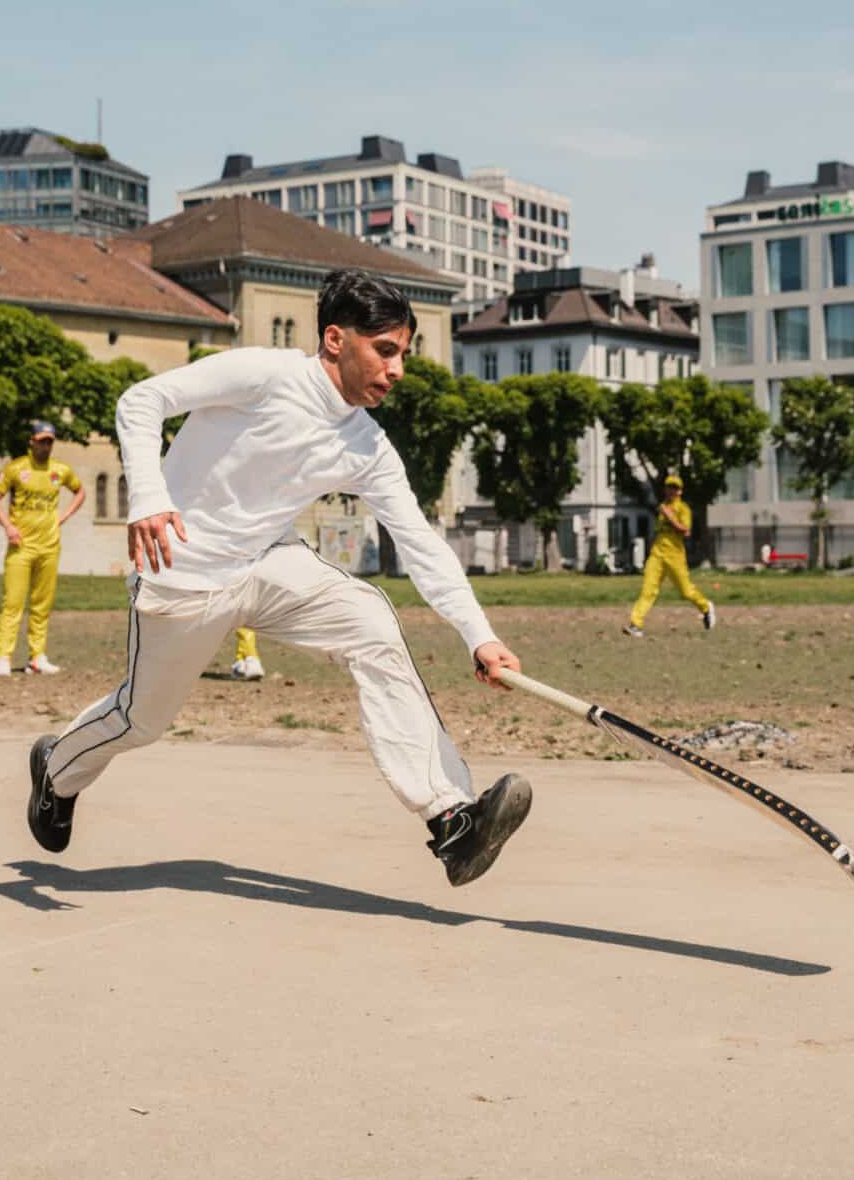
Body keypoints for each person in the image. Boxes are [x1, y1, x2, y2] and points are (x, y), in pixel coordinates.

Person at [26, 269, 532, 888]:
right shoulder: (264, 375)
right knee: (141, 721)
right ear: (335, 340)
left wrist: (477, 634)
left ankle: (451, 819)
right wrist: (148, 497)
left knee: (370, 619)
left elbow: (421, 542)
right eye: (386, 350)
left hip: (266, 562)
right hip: (183, 569)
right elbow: (141, 401)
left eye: (404, 353)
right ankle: (57, 770)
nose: (398, 369)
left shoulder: (367, 445)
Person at [0, 421, 85, 676]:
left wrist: (63, 517)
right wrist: (8, 526)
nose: (46, 445)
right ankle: (3, 658)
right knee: (13, 603)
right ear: (31, 441)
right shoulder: (16, 468)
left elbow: (80, 491)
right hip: (21, 547)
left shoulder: (60, 470)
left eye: (50, 440)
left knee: (42, 605)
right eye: (42, 440)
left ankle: (36, 658)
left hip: (50, 546)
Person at [623, 474, 716, 637]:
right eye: (669, 487)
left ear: (680, 491)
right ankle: (635, 625)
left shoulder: (683, 509)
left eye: (674, 487)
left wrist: (670, 516)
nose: (671, 490)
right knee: (648, 590)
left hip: (675, 555)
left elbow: (685, 531)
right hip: (657, 554)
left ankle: (706, 607)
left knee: (686, 591)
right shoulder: (662, 507)